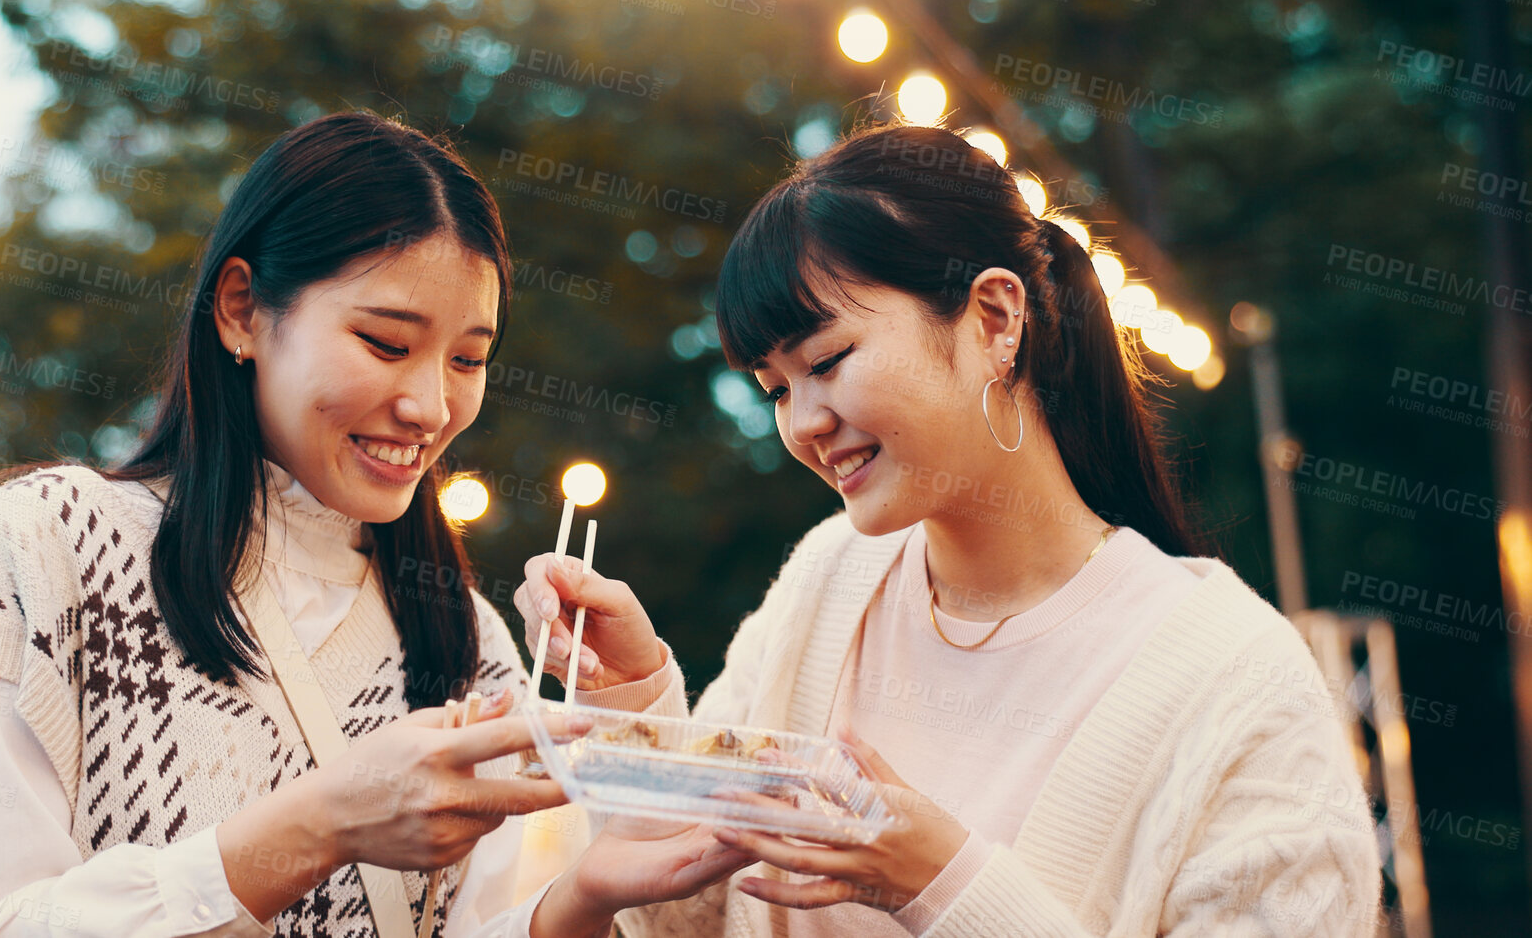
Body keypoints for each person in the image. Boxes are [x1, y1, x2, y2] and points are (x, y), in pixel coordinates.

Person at [0, 111, 750, 938]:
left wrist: (578, 896)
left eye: (468, 359)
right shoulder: (41, 546)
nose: (430, 404)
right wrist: (319, 824)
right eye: (386, 343)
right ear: (241, 308)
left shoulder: (465, 636)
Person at [514, 122, 1384, 937]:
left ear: (994, 319)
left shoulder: (1236, 678)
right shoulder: (828, 580)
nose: (803, 421)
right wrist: (630, 698)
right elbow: (690, 918)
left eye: (824, 361)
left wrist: (946, 884)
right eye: (776, 388)